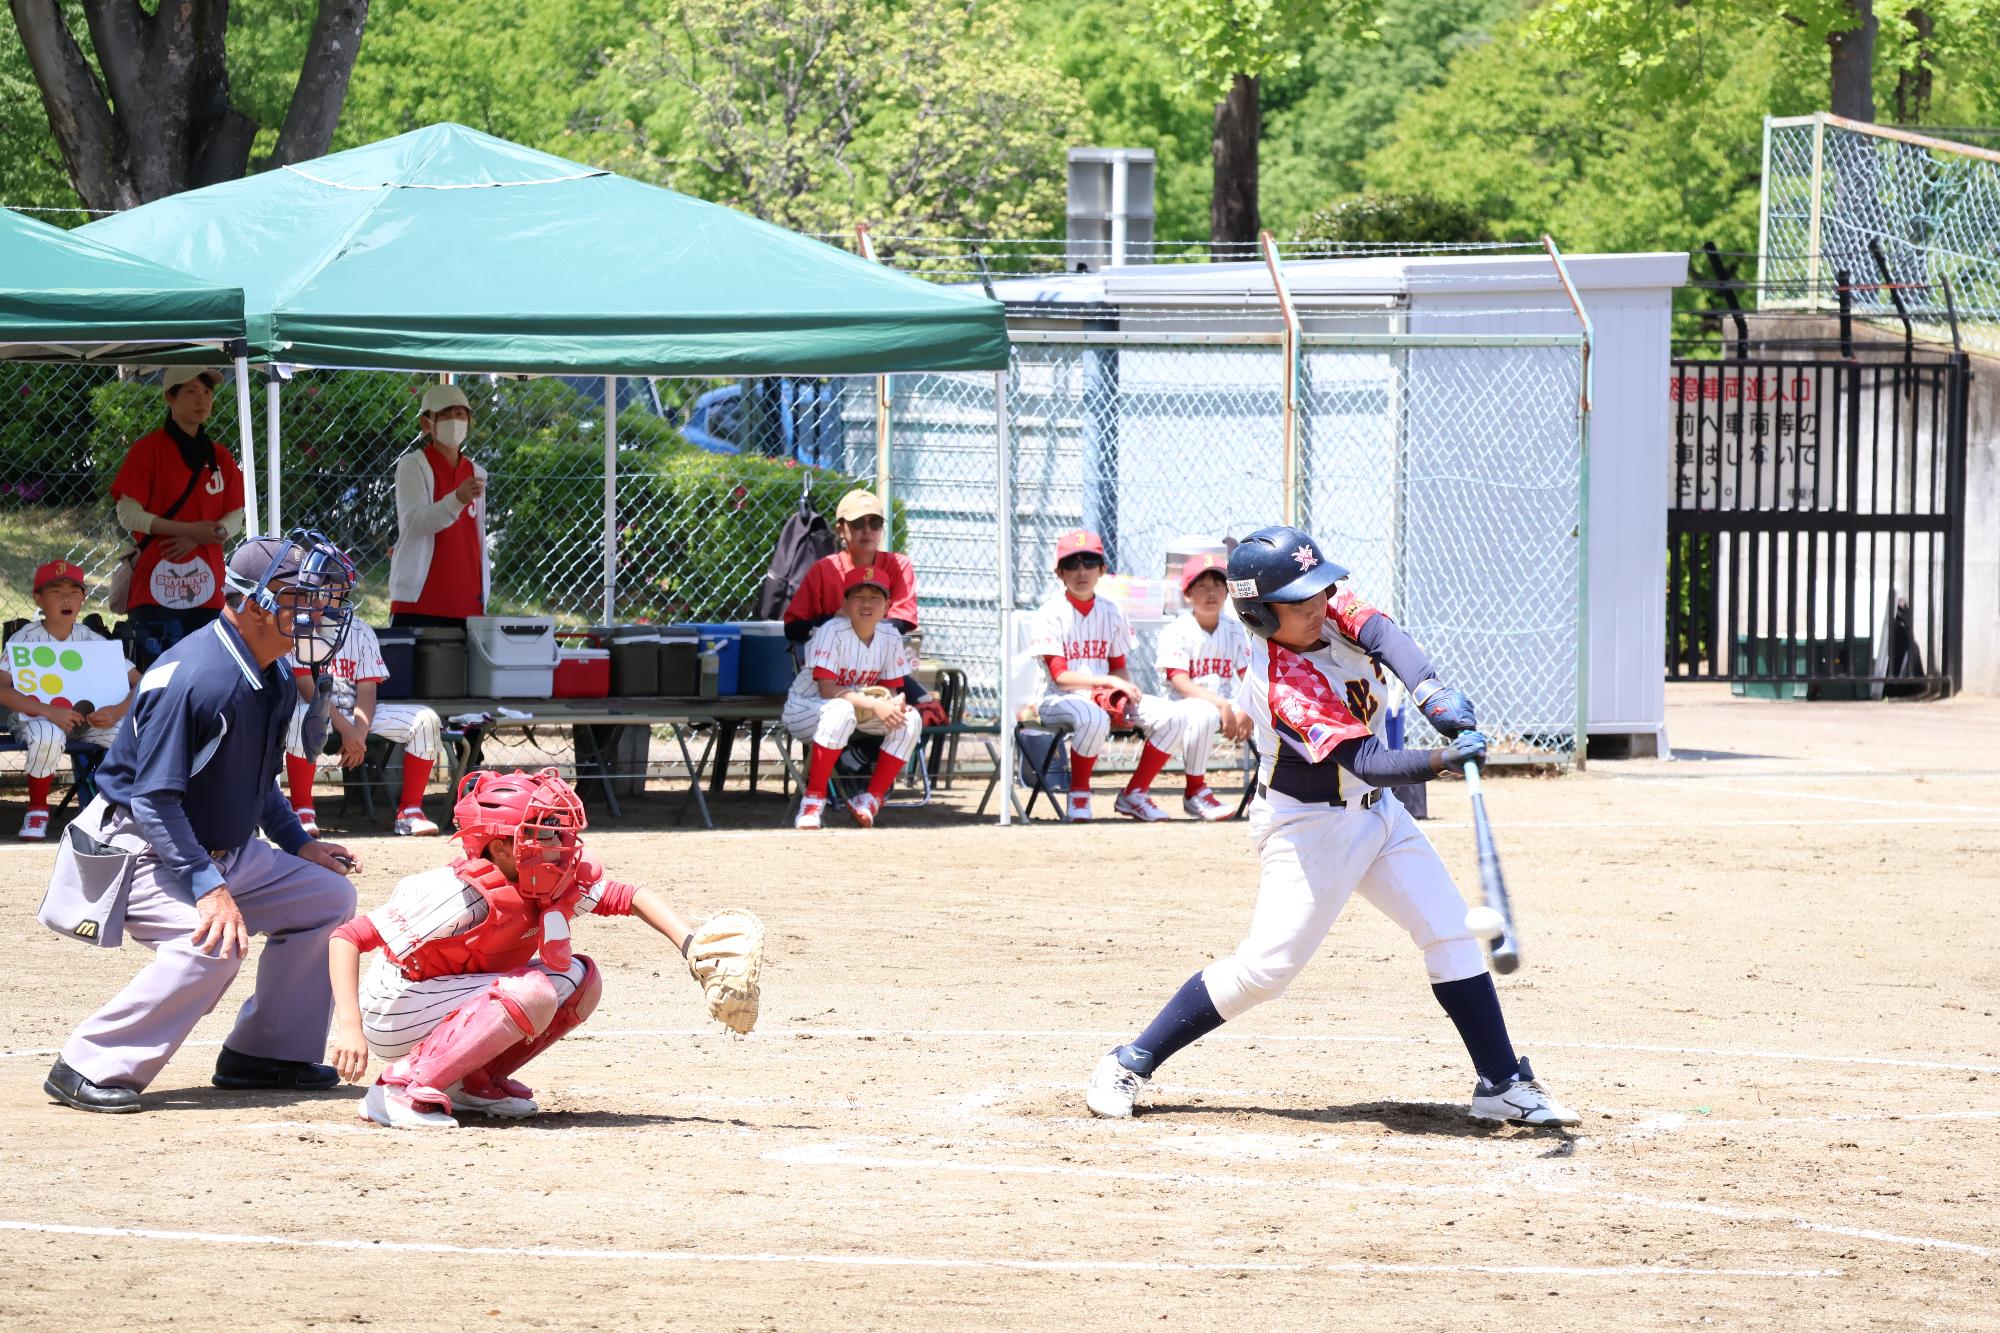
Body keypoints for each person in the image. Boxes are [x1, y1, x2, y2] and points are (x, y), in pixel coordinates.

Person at [1084, 525, 1580, 1127]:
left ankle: (1500, 1081)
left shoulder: (1324, 605)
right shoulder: (1280, 681)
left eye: (1320, 590)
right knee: (1266, 970)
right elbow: (1365, 759)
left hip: (1377, 814)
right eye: (1300, 600)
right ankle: (1130, 1060)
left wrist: (1434, 697)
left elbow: (1386, 637)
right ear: (1262, 614)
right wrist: (1442, 759)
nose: (1319, 604)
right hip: (1307, 829)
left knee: (1450, 932)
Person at [41, 532, 363, 1114]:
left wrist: (295, 841)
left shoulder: (272, 673)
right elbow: (153, 799)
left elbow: (257, 778)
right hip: (137, 848)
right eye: (302, 596)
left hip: (220, 850)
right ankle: (87, 1063)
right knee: (211, 947)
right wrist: (208, 887)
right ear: (253, 601)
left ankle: (266, 1052)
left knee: (328, 898)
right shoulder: (195, 677)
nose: (319, 612)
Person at [328, 767, 760, 1129]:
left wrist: (689, 944)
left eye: (559, 832)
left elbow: (629, 896)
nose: (560, 846)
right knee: (532, 990)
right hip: (396, 1009)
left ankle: (471, 1081)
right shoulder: (455, 893)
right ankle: (397, 1088)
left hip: (448, 998)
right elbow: (347, 938)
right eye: (545, 834)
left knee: (579, 979)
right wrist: (349, 1027)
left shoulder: (544, 878)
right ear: (500, 848)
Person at [1024, 528, 1191, 822]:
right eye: (1072, 563)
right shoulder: (1049, 613)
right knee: (1092, 716)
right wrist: (1108, 682)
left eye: (1089, 562)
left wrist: (1121, 690)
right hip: (1056, 700)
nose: (1081, 570)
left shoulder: (1112, 611)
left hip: (1102, 695)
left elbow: (1118, 665)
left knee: (1174, 716)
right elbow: (1060, 676)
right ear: (1059, 572)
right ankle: (1079, 794)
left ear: (1102, 569)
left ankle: (1135, 794)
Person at [0, 560, 140, 839]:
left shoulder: (92, 640)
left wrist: (117, 710)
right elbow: (2, 687)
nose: (66, 598)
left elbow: (141, 680)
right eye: (55, 591)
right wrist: (49, 711)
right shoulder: (24, 639)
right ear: (38, 597)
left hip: (89, 721)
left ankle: (117, 807)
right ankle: (38, 810)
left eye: (74, 592)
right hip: (37, 718)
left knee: (129, 732)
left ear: (83, 599)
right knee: (47, 733)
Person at [109, 366, 247, 647]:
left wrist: (201, 535)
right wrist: (191, 531)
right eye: (191, 391)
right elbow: (128, 514)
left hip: (209, 590)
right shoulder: (147, 450)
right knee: (156, 672)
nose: (202, 400)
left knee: (205, 674)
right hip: (154, 585)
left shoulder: (220, 456)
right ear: (170, 398)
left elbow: (236, 515)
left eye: (207, 392)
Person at [781, 568, 927, 830]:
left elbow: (893, 690)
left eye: (875, 597)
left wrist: (894, 703)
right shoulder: (831, 631)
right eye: (859, 596)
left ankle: (870, 799)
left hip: (853, 710)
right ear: (845, 604)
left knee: (909, 718)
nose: (867, 603)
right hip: (805, 709)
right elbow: (827, 690)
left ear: (887, 606)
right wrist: (874, 704)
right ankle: (813, 801)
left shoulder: (890, 635)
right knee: (840, 710)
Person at [283, 604, 446, 839]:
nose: (322, 597)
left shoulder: (359, 630)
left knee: (425, 719)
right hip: (313, 710)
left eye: (332, 587)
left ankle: (410, 812)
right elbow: (306, 687)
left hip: (357, 714)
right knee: (302, 716)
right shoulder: (296, 626)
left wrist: (358, 732)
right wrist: (348, 730)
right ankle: (302, 811)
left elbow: (367, 689)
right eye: (316, 589)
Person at [1153, 553, 1254, 821]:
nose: (1211, 592)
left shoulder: (1235, 628)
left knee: (1269, 713)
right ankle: (1195, 791)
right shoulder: (1177, 629)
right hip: (1182, 704)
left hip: (1225, 703)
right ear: (1187, 594)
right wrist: (1221, 704)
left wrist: (1249, 708)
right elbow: (1180, 682)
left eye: (1218, 585)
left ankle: (1267, 791)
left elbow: (1249, 677)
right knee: (1204, 712)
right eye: (1202, 586)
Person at [389, 384, 488, 629]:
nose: (453, 421)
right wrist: (457, 500)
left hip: (468, 603)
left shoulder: (477, 472)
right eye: (444, 414)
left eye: (460, 414)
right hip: (420, 602)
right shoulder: (413, 465)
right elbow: (413, 523)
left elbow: (476, 540)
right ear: (426, 424)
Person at [782, 488, 918, 641]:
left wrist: (862, 625)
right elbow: (792, 628)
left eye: (875, 522)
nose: (867, 530)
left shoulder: (899, 565)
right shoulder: (824, 569)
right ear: (840, 529)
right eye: (858, 523)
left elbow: (902, 621)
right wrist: (833, 621)